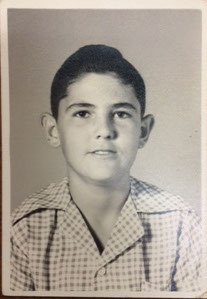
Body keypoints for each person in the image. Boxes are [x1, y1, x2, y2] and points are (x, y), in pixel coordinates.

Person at [10, 44, 202, 292]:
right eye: (82, 113)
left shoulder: (180, 225)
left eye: (121, 114)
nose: (104, 131)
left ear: (143, 131)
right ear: (53, 130)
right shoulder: (24, 230)